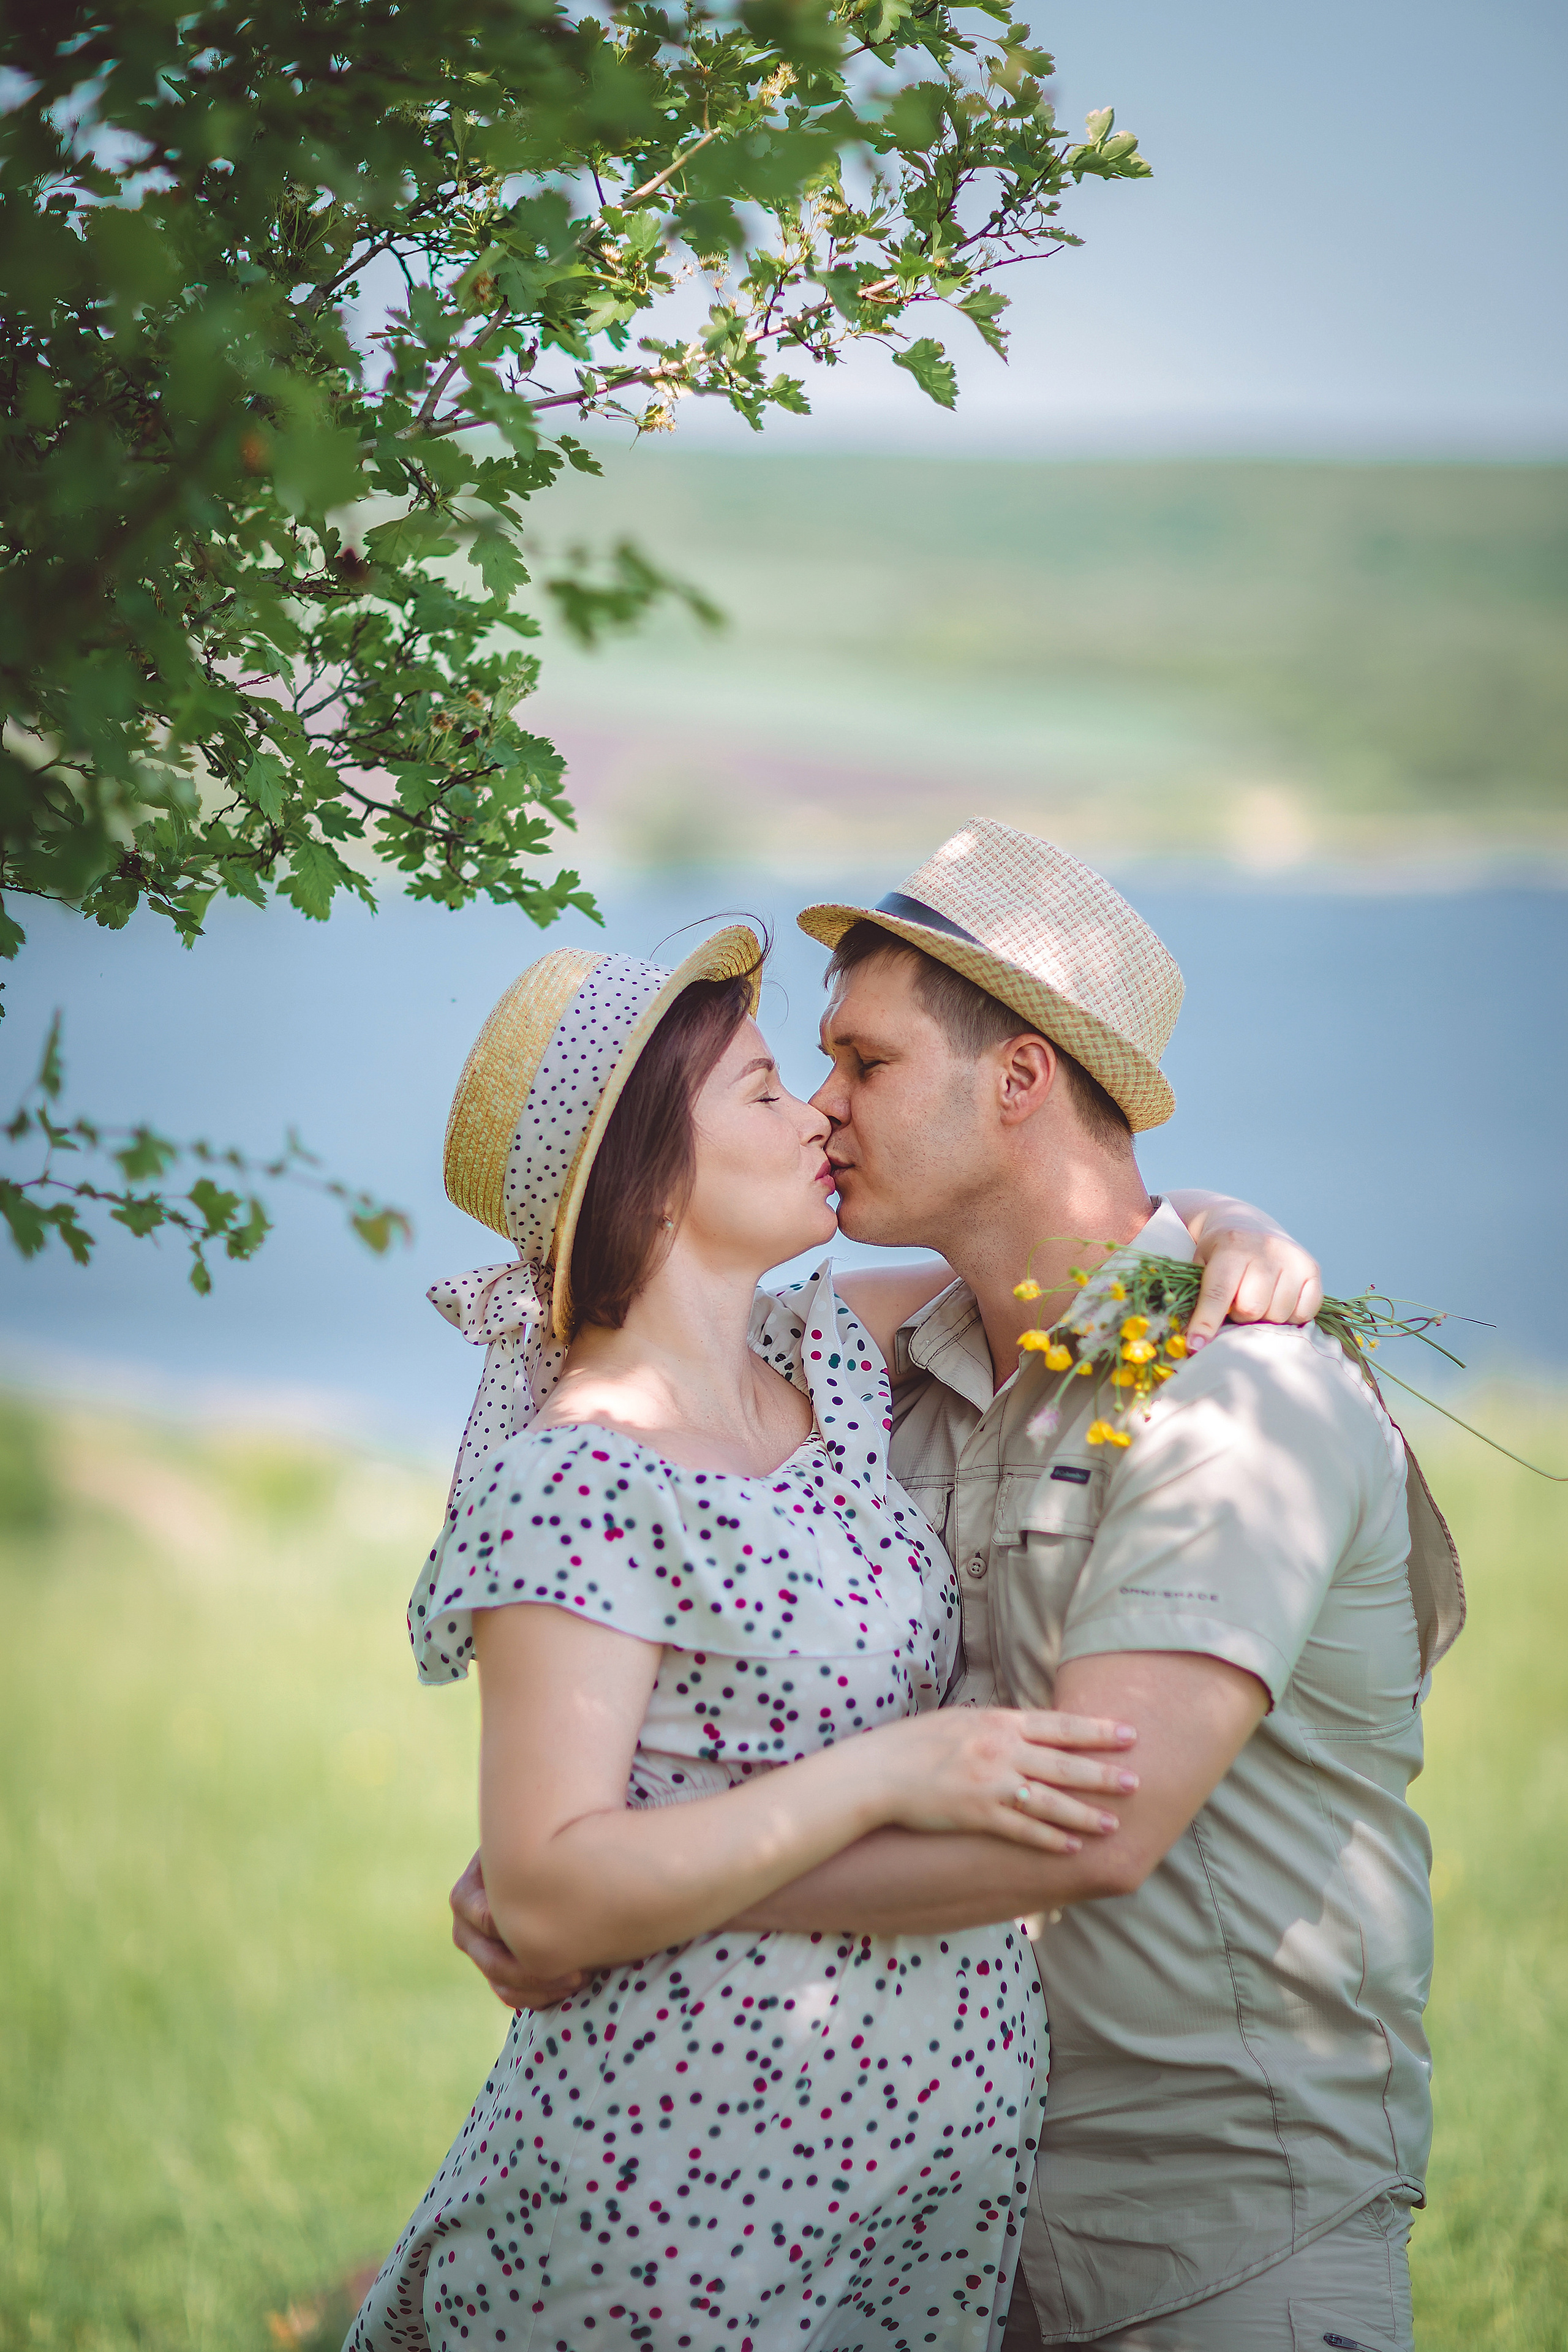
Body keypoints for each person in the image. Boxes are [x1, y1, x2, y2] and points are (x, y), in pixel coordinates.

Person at [454, 823, 1464, 2352]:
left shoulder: (1232, 1401)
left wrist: (619, 1895)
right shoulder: (865, 1380)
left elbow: (1097, 1829)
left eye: (861, 1063)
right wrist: (578, 1864)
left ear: (1017, 1081)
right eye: (800, 1073)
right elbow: (626, 1364)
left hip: (1211, 2236)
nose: (824, 1108)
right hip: (911, 2224)